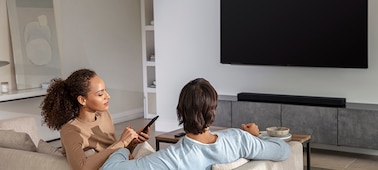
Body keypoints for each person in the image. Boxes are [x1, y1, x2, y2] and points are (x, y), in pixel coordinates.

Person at [102, 78, 291, 170]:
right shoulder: (239, 139)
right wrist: (256, 136)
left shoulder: (169, 159)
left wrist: (125, 146)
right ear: (213, 112)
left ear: (180, 111)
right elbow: (284, 150)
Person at [40, 68, 150, 170]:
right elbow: (81, 167)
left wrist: (132, 143)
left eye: (105, 91)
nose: (108, 96)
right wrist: (121, 142)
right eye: (100, 94)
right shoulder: (71, 130)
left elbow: (116, 154)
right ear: (82, 100)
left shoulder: (104, 115)